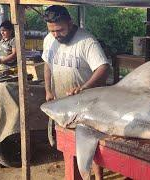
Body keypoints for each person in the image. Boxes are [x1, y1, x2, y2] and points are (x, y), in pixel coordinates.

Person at [42, 5, 110, 180]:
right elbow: (47, 64)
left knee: (92, 145)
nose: (56, 35)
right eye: (52, 31)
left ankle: (98, 177)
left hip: (87, 105)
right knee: (68, 144)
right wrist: (48, 90)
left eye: (60, 30)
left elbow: (103, 68)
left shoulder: (86, 41)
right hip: (63, 105)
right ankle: (76, 175)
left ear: (70, 23)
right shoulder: (49, 40)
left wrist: (85, 87)